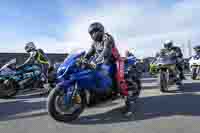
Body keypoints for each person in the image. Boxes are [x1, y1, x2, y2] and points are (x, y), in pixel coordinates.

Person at [85, 22, 136, 117]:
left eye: (95, 31)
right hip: (104, 62)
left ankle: (129, 104)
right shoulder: (94, 43)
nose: (93, 34)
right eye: (91, 33)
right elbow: (89, 53)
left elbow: (106, 50)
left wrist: (96, 60)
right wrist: (83, 59)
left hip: (115, 61)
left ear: (101, 30)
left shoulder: (107, 37)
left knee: (119, 80)